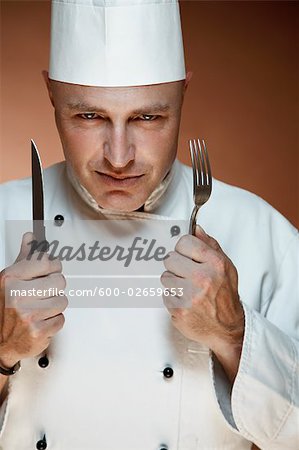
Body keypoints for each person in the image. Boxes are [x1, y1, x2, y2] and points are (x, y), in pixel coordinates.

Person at [0, 1, 298, 449]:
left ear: (183, 92)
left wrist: (235, 334)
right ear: (51, 94)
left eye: (147, 117)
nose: (119, 157)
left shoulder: (260, 231)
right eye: (89, 116)